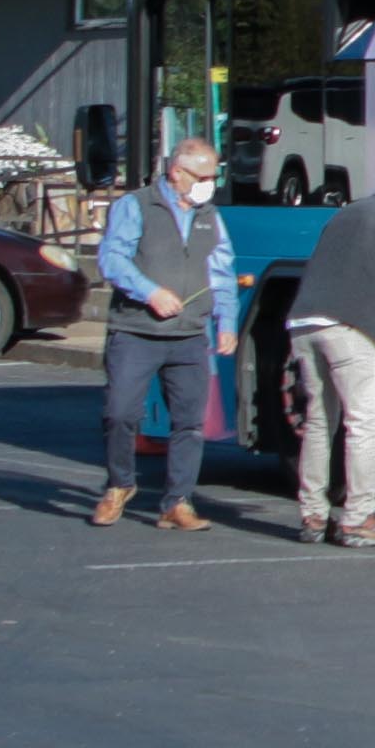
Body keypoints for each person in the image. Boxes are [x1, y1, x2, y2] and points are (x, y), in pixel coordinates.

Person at [93, 139, 238, 530]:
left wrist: (226, 323)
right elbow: (111, 258)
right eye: (204, 176)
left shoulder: (210, 215)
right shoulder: (136, 206)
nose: (211, 184)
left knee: (189, 422)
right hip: (136, 330)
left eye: (214, 176)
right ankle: (120, 484)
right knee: (120, 412)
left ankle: (177, 502)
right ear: (177, 173)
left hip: (190, 335)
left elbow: (221, 270)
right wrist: (150, 292)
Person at [286, 166, 375, 546]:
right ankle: (358, 518)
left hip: (304, 323)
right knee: (363, 423)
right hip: (351, 328)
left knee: (320, 422)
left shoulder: (347, 211)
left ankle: (313, 515)